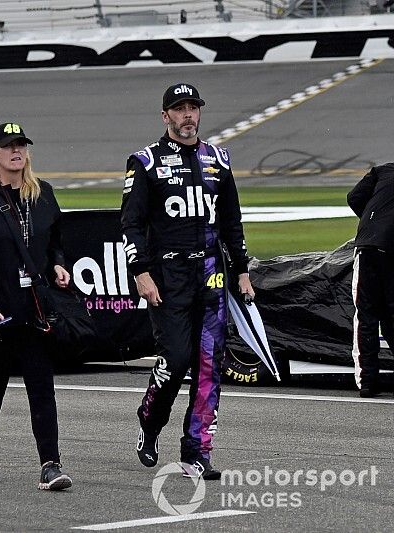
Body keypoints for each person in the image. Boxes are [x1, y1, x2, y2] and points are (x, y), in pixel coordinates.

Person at [120, 83, 254, 480]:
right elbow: (131, 224)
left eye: (193, 107)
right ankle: (149, 417)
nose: (188, 115)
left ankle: (197, 451)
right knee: (176, 360)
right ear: (166, 116)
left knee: (209, 366)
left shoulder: (219, 158)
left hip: (211, 276)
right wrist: (140, 273)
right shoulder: (144, 161)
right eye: (179, 109)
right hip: (167, 277)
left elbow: (232, 220)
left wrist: (243, 270)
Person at [0, 122, 73, 490]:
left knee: (42, 385)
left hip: (34, 309)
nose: (16, 151)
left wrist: (58, 264)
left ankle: (51, 464)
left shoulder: (44, 194)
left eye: (21, 145)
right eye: (8, 146)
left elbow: (55, 241)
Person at [347, 162, 394, 398]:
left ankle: (367, 382)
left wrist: (372, 222)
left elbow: (354, 197)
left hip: (368, 246)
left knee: (365, 316)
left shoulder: (383, 170)